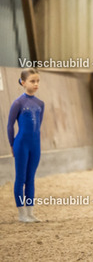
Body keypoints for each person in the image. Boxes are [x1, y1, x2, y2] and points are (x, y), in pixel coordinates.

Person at [7, 68, 45, 222]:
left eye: (38, 81)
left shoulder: (40, 104)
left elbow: (38, 126)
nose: (36, 84)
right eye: (32, 81)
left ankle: (30, 212)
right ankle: (21, 213)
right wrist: (12, 144)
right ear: (23, 83)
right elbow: (10, 125)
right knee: (21, 178)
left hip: (35, 145)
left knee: (31, 179)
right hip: (21, 144)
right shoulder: (18, 103)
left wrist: (36, 143)